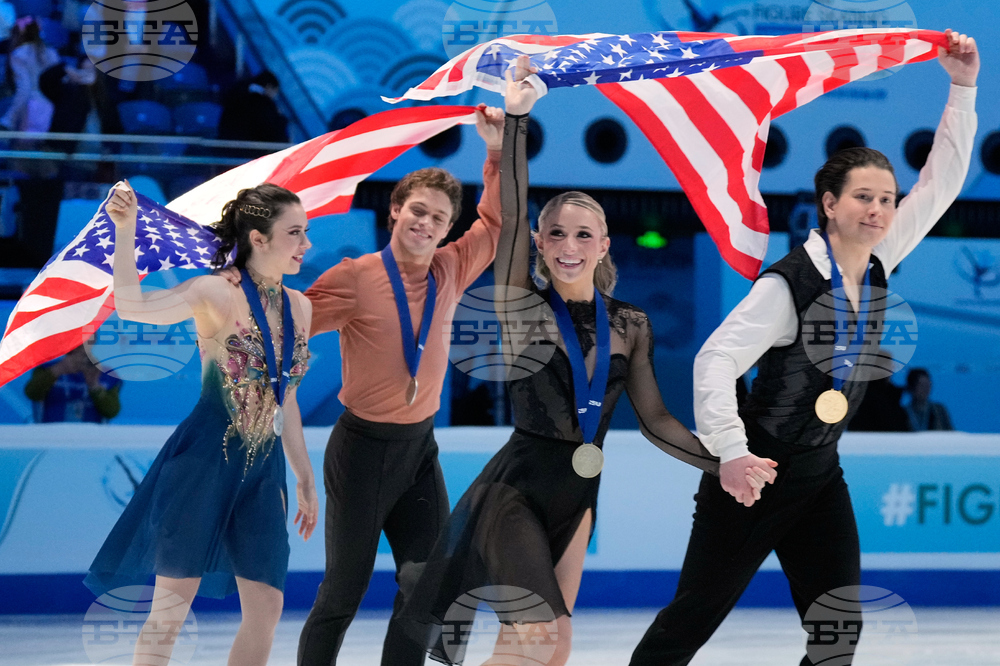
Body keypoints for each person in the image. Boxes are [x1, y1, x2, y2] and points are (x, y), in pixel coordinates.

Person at [629, 29, 979, 666]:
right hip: (754, 477)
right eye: (863, 198)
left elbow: (942, 186)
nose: (879, 210)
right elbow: (714, 360)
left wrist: (962, 88)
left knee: (837, 630)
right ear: (829, 204)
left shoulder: (878, 261)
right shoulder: (787, 284)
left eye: (885, 199)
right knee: (688, 623)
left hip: (820, 473)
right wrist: (731, 455)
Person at [400, 58, 762, 666]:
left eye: (584, 235)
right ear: (540, 245)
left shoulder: (630, 323)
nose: (570, 247)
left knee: (554, 646)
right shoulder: (522, 304)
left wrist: (724, 459)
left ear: (604, 245)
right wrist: (517, 122)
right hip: (514, 488)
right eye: (558, 235)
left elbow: (655, 420)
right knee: (534, 637)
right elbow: (511, 214)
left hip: (581, 491)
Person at [218, 104, 505, 665]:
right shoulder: (354, 278)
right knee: (342, 594)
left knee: (425, 585)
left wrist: (495, 152)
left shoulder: (451, 268)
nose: (426, 224)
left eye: (439, 219)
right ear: (396, 211)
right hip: (362, 452)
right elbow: (286, 321)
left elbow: (497, 224)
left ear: (448, 229)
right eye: (417, 211)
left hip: (419, 449)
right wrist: (244, 277)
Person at [84, 180, 320, 666]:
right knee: (171, 611)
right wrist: (125, 230)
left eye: (306, 232)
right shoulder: (216, 291)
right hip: (203, 461)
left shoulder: (301, 306)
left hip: (263, 468)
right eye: (295, 233)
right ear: (259, 238)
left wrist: (303, 474)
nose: (306, 244)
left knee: (267, 608)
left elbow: (285, 397)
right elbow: (133, 307)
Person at [23, 344, 121, 423]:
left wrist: (94, 385)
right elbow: (32, 394)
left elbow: (112, 411)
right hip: (50, 438)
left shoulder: (107, 376)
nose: (82, 348)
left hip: (90, 441)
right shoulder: (47, 369)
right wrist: (57, 370)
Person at [0, 16, 60, 132]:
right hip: (50, 107)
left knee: (21, 148)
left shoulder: (20, 54)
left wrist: (9, 119)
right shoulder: (52, 53)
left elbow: (24, 89)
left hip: (30, 109)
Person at [218, 70, 289, 149]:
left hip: (226, 145)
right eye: (275, 92)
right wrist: (281, 119)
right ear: (269, 86)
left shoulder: (236, 94)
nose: (274, 96)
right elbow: (269, 130)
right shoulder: (264, 104)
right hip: (251, 150)